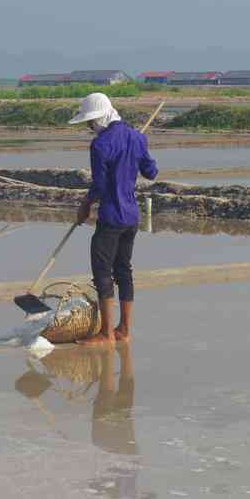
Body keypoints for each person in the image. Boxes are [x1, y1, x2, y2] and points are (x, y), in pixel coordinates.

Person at [69, 93, 158, 346]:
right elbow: (151, 173)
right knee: (124, 271)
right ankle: (124, 330)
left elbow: (99, 186)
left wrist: (85, 205)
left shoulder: (100, 145)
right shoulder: (137, 138)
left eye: (89, 123)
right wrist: (139, 148)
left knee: (102, 272)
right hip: (131, 217)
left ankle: (106, 334)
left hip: (111, 217)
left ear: (99, 118)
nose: (89, 127)